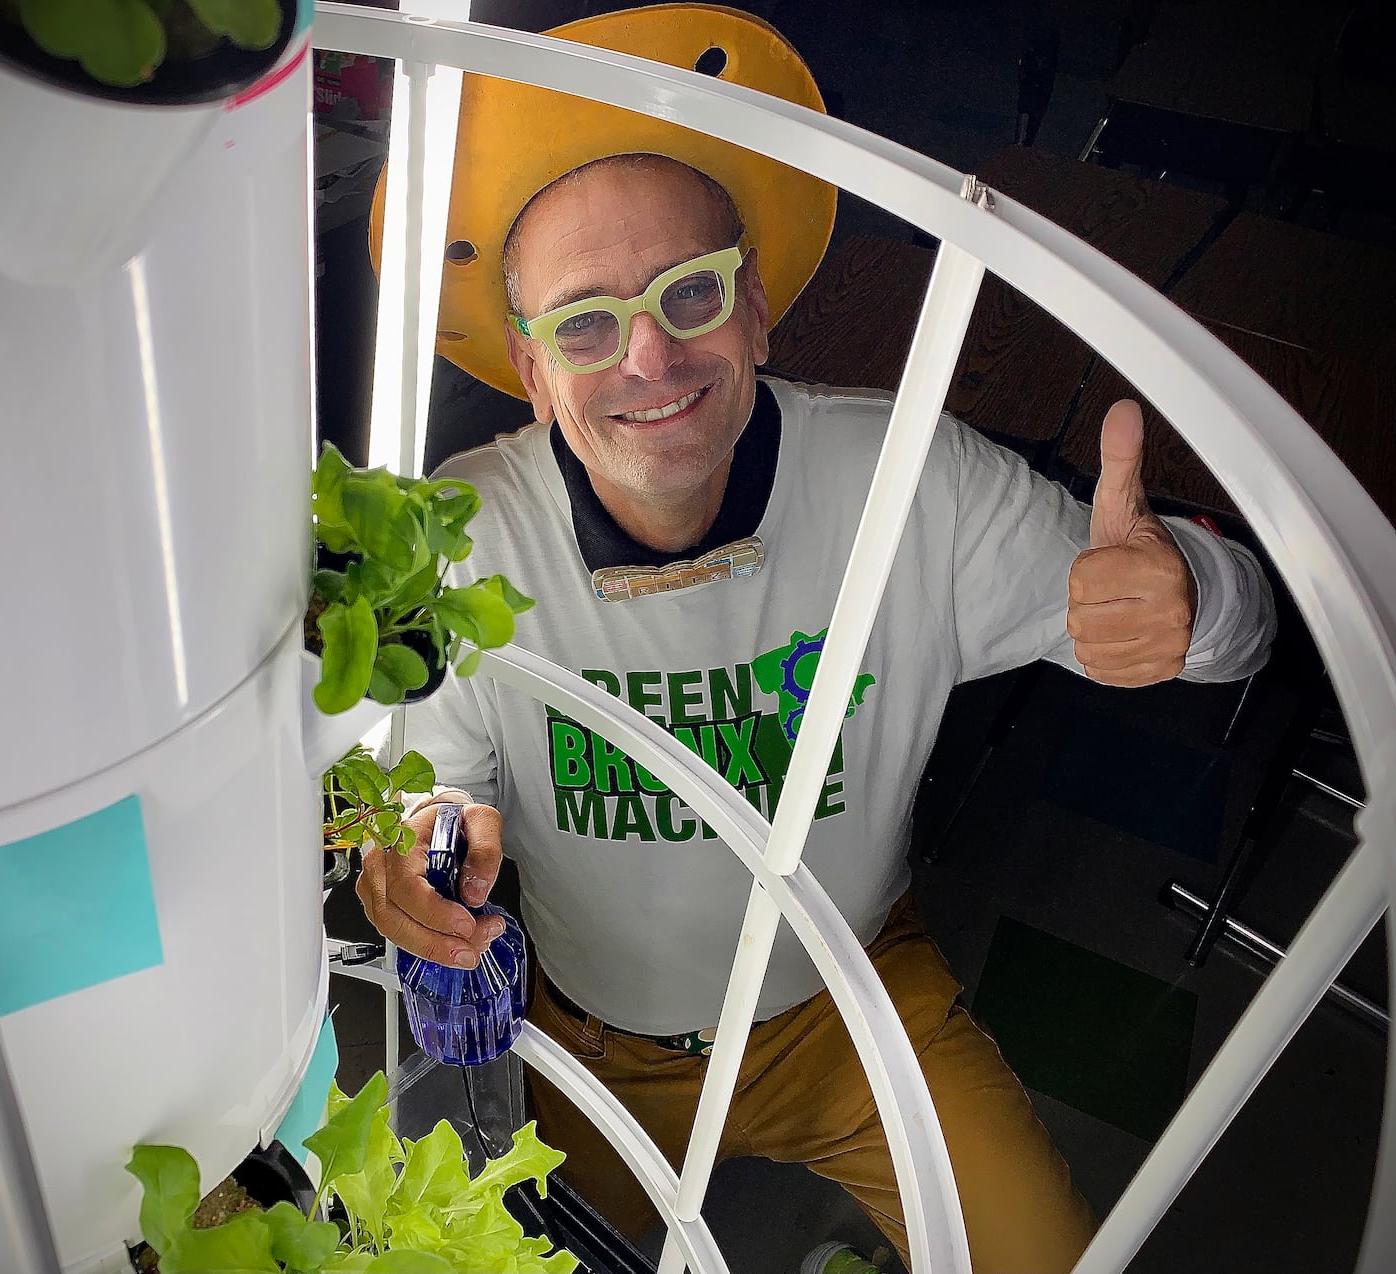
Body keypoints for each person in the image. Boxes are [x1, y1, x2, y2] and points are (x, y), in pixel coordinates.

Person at [355, 8, 1276, 1271]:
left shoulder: (912, 477)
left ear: (759, 309)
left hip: (857, 1011)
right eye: (584, 322)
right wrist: (424, 856)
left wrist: (1199, 588)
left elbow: (1237, 636)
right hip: (591, 1042)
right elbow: (438, 787)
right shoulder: (464, 532)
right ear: (527, 367)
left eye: (691, 291)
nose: (650, 354)